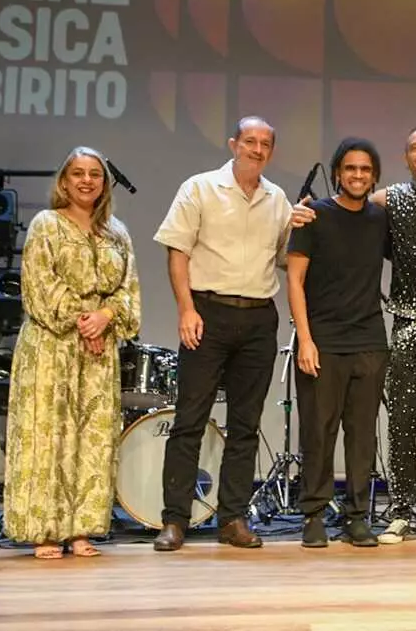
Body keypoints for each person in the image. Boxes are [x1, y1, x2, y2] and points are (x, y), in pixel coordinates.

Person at [291, 126, 416, 543]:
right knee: (401, 422)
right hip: (405, 324)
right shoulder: (390, 200)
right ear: (405, 158)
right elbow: (347, 208)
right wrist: (302, 211)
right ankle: (400, 510)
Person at [152, 116, 292, 551]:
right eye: (249, 141)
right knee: (190, 420)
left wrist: (310, 227)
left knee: (246, 426)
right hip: (207, 314)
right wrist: (187, 309)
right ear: (233, 143)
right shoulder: (200, 188)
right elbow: (178, 252)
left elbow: (289, 258)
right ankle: (175, 520)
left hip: (257, 319)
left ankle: (232, 518)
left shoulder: (278, 199)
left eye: (265, 143)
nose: (256, 149)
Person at [3, 146, 141, 559]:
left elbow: (128, 290)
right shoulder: (46, 225)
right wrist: (85, 319)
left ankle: (81, 528)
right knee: (49, 436)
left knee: (92, 438)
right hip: (51, 345)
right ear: (64, 181)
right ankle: (45, 529)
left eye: (95, 174)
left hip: (99, 352)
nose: (86, 181)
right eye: (78, 173)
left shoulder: (117, 231)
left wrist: (105, 317)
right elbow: (39, 284)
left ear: (104, 183)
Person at [288, 137, 391, 549]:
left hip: (369, 340)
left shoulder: (380, 218)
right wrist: (305, 340)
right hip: (323, 341)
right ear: (337, 173)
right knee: (318, 432)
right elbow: (294, 280)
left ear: (374, 176)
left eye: (366, 170)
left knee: (362, 434)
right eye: (351, 168)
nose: (358, 175)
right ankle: (313, 514)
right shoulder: (313, 215)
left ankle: (356, 516)